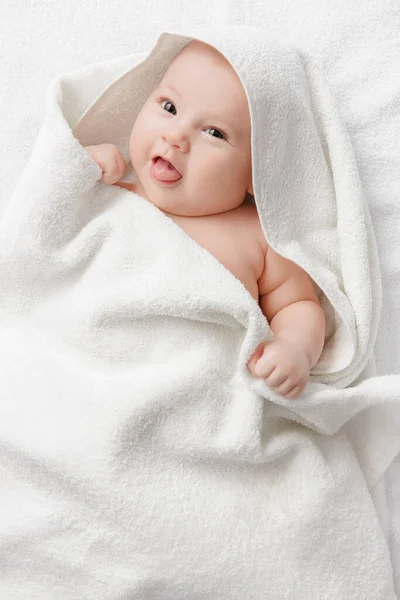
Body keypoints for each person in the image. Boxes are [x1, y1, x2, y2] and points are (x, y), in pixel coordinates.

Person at [84, 39, 326, 399]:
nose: (176, 136)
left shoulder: (259, 237)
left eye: (214, 132)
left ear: (258, 171)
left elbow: (298, 305)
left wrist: (295, 349)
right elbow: (54, 229)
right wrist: (81, 169)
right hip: (94, 363)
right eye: (169, 106)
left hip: (196, 388)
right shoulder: (115, 189)